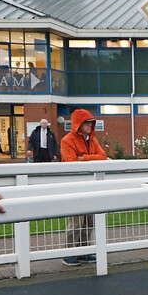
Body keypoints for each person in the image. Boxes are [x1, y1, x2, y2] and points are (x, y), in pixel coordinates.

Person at [60, 109, 107, 267]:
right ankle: (69, 253)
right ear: (78, 124)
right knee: (76, 220)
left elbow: (103, 157)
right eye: (86, 123)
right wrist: (88, 160)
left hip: (90, 185)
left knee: (89, 220)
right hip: (74, 186)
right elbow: (70, 162)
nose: (89, 125)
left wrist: (84, 157)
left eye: (90, 123)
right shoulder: (67, 140)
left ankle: (84, 251)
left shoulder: (92, 140)